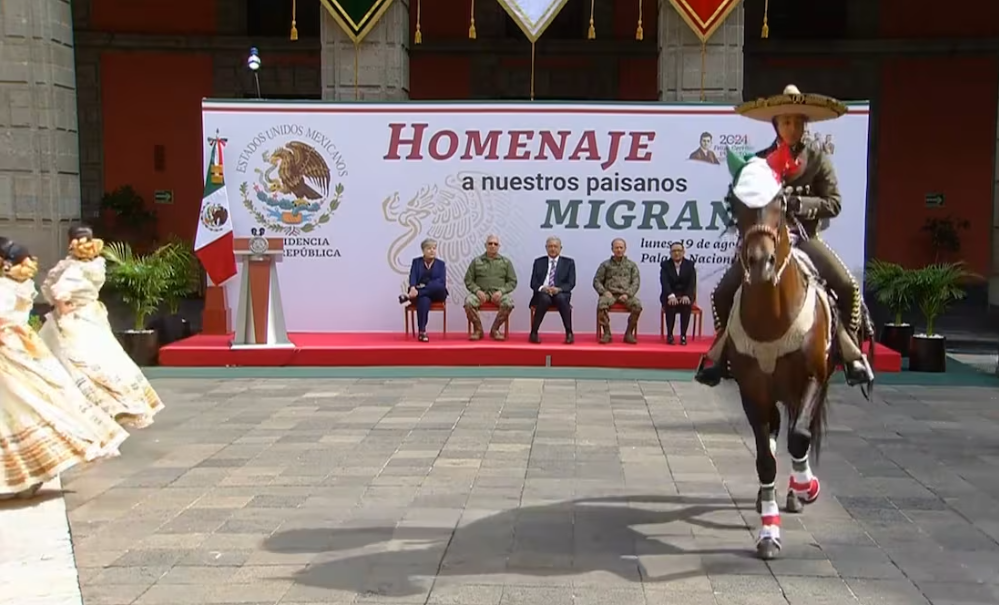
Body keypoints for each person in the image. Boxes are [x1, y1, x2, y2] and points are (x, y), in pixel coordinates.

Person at [695, 84, 874, 388]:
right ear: (776, 124)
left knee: (848, 286)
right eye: (786, 121)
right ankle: (723, 353)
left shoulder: (817, 159)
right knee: (722, 292)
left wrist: (798, 204)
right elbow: (740, 198)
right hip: (767, 239)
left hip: (804, 238)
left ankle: (850, 351)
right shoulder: (759, 160)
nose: (792, 127)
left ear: (805, 125)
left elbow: (834, 203)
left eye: (798, 121)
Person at [0, 236, 128, 499]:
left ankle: (25, 472)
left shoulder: (6, 287)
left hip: (11, 351)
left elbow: (53, 293)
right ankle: (33, 469)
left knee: (20, 406)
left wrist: (62, 305)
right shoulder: (22, 285)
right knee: (39, 401)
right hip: (28, 345)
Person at [39, 225, 166, 428]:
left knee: (70, 362)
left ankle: (86, 408)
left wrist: (62, 308)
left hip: (75, 318)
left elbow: (57, 290)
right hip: (92, 315)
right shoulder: (96, 264)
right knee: (106, 358)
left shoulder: (73, 268)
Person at [463, 234, 517, 341]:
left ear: (498, 246)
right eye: (490, 243)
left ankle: (495, 330)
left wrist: (501, 292)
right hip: (481, 294)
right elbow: (468, 280)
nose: (492, 246)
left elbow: (512, 281)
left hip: (498, 294)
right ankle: (478, 330)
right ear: (485, 245)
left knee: (508, 303)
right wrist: (477, 291)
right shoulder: (476, 261)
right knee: (468, 302)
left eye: (495, 244)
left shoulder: (505, 262)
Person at [593, 238, 641, 344]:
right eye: (616, 248)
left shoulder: (631, 265)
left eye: (621, 247)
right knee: (602, 304)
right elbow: (597, 281)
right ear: (612, 249)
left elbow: (636, 282)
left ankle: (629, 333)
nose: (619, 250)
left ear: (625, 249)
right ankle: (606, 333)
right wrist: (604, 292)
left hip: (626, 294)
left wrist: (628, 294)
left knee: (637, 305)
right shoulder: (605, 265)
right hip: (610, 294)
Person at [528, 236, 575, 344]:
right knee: (545, 299)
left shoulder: (569, 262)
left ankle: (569, 332)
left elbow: (571, 283)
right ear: (546, 248)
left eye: (555, 246)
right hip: (543, 294)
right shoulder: (538, 262)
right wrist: (543, 288)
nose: (553, 249)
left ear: (560, 248)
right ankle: (534, 332)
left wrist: (559, 289)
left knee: (561, 298)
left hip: (560, 293)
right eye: (550, 246)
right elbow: (533, 283)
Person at [399, 238, 447, 342]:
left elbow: (441, 282)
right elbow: (413, 277)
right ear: (423, 251)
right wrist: (412, 287)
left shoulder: (441, 264)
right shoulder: (416, 262)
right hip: (421, 295)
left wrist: (417, 290)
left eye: (434, 248)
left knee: (438, 285)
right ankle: (422, 332)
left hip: (437, 293)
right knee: (424, 300)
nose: (432, 251)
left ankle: (410, 295)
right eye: (429, 248)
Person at [660, 241, 696, 345]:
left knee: (686, 306)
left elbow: (692, 283)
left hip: (685, 294)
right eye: (674, 251)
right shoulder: (665, 265)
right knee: (671, 306)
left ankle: (683, 335)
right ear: (670, 253)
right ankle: (670, 335)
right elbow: (664, 282)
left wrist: (687, 295)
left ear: (683, 252)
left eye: (679, 251)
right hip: (670, 295)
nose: (676, 253)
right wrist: (671, 295)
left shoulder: (690, 265)